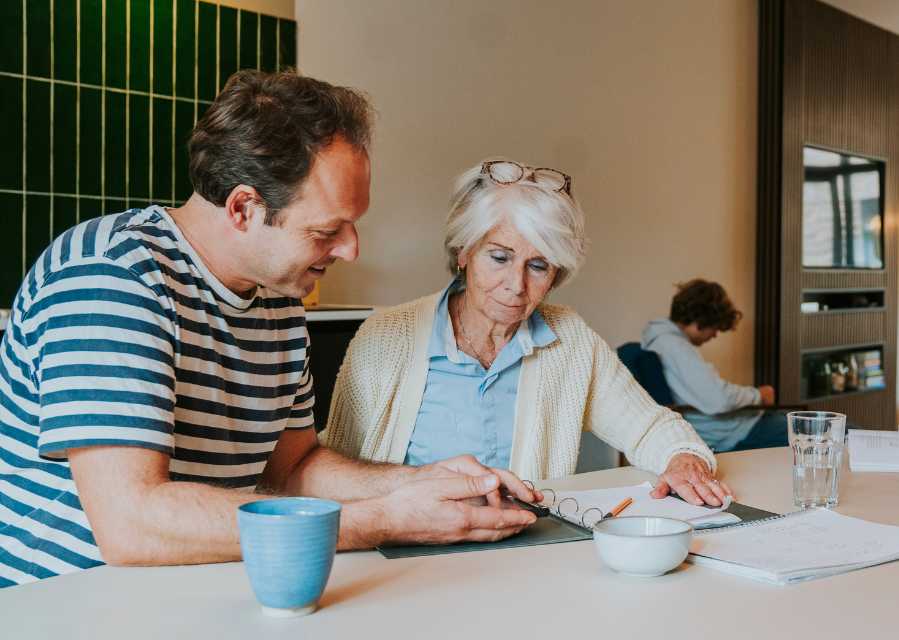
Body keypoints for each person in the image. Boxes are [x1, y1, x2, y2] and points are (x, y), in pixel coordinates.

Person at [0, 72, 540, 588]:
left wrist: (421, 483)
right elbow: (132, 523)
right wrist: (383, 519)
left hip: (195, 590)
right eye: (327, 230)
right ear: (243, 207)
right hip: (68, 601)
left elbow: (293, 468)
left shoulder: (277, 298)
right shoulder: (112, 276)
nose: (352, 249)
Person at [320, 159, 733, 507]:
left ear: (556, 275)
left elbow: (649, 427)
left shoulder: (570, 340)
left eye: (538, 266)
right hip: (407, 555)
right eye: (499, 257)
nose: (516, 285)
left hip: (527, 554)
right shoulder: (384, 338)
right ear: (464, 253)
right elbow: (331, 470)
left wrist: (683, 459)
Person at [641, 279, 781, 452]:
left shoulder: (658, 340)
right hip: (731, 433)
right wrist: (758, 395)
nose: (715, 334)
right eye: (715, 327)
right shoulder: (676, 347)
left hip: (729, 426)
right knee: (811, 432)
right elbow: (718, 400)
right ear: (701, 320)